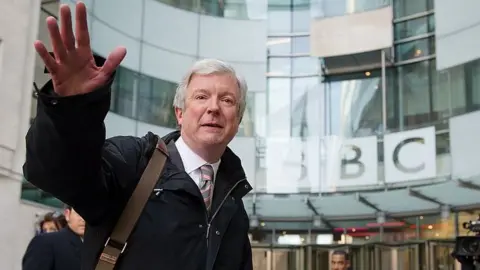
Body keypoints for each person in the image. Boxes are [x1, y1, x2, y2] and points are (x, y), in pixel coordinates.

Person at [23, 1, 253, 270]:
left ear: (237, 119)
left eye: (227, 100)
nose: (213, 107)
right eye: (201, 97)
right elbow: (56, 173)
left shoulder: (233, 203)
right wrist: (72, 108)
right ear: (180, 113)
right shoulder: (133, 163)